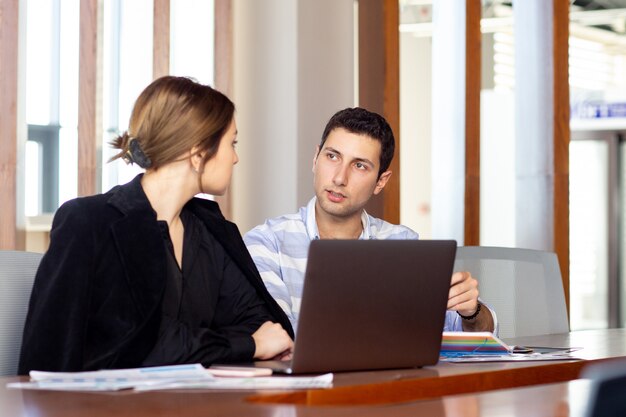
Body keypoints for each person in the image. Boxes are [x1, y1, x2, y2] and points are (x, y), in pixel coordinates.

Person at [18, 76, 293, 374]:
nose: (236, 158)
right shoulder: (91, 223)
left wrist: (248, 340)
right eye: (232, 143)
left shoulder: (212, 230)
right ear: (198, 152)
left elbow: (265, 327)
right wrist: (249, 344)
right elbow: (140, 345)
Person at [244, 107, 496, 334]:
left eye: (360, 166)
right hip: (307, 386)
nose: (339, 178)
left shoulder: (403, 245)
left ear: (381, 182)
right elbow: (277, 339)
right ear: (315, 159)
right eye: (332, 156)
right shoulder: (267, 243)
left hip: (388, 384)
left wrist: (471, 312)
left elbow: (468, 334)